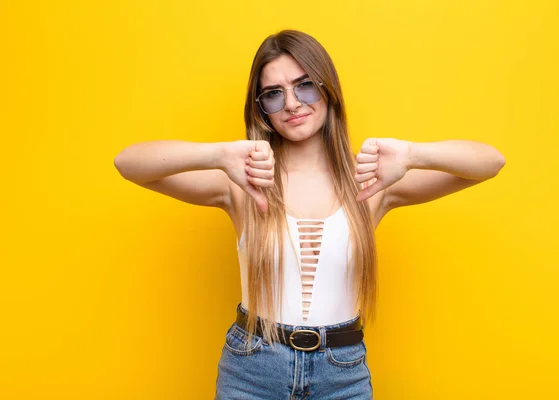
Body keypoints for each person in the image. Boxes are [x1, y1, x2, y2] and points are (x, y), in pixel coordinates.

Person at [114, 29, 506, 399]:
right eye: (273, 94)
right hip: (252, 369)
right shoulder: (243, 183)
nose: (292, 104)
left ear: (327, 88)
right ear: (262, 109)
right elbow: (129, 163)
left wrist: (414, 154)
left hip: (343, 371)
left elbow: (490, 162)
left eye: (304, 85)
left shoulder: (370, 181)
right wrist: (216, 155)